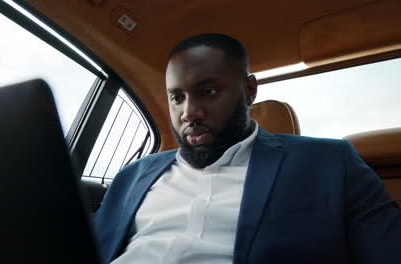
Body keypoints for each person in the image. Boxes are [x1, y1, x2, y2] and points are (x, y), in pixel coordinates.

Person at [93, 33, 401, 264]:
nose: (189, 112)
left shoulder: (331, 163)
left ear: (249, 91)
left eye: (208, 91)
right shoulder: (132, 175)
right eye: (177, 97)